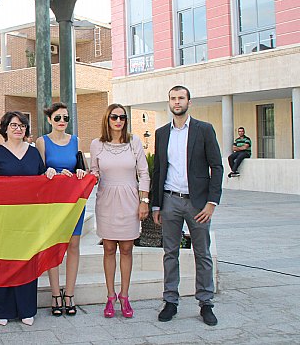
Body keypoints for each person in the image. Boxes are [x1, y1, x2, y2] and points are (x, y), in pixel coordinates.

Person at [152, 85, 223, 327]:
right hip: (170, 200)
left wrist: (212, 202)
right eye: (173, 98)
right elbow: (158, 170)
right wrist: (156, 205)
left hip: (198, 203)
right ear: (169, 102)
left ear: (189, 102)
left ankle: (206, 303)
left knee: (202, 253)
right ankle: (170, 301)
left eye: (181, 98)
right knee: (169, 253)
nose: (177, 102)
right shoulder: (162, 133)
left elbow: (217, 167)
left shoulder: (204, 130)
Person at [0, 111, 45, 326]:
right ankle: (3, 309)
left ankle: (27, 309)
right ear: (5, 128)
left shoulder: (34, 153)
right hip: (3, 218)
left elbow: (43, 180)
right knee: (3, 263)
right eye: (14, 125)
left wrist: (52, 175)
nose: (19, 129)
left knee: (27, 262)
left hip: (28, 218)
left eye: (22, 125)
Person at [89, 104, 150, 319]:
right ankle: (109, 296)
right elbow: (94, 172)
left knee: (126, 248)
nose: (118, 120)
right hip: (106, 199)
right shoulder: (97, 144)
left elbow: (143, 172)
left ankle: (124, 296)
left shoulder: (134, 142)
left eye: (122, 117)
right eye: (114, 117)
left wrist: (144, 201)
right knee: (108, 249)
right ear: (107, 119)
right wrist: (88, 178)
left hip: (130, 200)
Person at [35, 102, 87, 317]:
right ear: (49, 120)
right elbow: (39, 173)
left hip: (73, 200)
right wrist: (54, 174)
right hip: (52, 201)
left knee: (73, 244)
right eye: (57, 118)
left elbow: (80, 169)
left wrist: (80, 174)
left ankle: (70, 294)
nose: (62, 122)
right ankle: (56, 294)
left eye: (65, 118)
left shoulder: (76, 141)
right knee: (54, 246)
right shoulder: (42, 142)